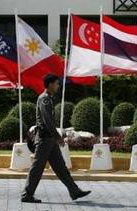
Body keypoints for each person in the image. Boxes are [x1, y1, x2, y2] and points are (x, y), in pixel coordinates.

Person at [21, 74, 91, 203]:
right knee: (37, 168)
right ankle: (27, 194)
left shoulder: (49, 98)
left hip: (49, 140)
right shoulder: (44, 99)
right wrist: (58, 137)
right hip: (44, 139)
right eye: (57, 83)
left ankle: (74, 191)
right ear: (50, 84)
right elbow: (47, 121)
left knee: (60, 167)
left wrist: (55, 138)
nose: (58, 86)